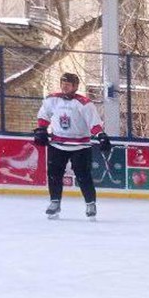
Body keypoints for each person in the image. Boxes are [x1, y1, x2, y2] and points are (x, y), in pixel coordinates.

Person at [33, 72, 110, 219]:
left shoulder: (84, 103)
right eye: (62, 84)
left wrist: (101, 136)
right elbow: (43, 115)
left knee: (83, 176)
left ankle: (90, 204)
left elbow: (94, 123)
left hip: (80, 146)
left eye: (67, 84)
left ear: (75, 86)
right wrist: (42, 130)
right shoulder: (52, 100)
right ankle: (55, 202)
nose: (64, 87)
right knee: (54, 175)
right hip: (57, 144)